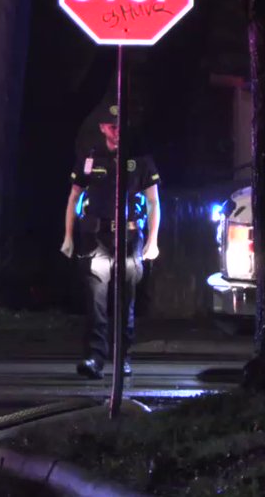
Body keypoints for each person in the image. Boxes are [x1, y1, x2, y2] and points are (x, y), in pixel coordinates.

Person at [61, 104, 161, 379]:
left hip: (129, 238)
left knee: (125, 302)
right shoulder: (90, 159)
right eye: (111, 126)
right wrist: (68, 236)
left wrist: (153, 240)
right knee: (96, 301)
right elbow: (74, 198)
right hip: (96, 239)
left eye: (120, 126)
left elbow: (153, 202)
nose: (117, 132)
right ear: (103, 128)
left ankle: (122, 357)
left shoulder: (140, 159)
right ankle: (95, 357)